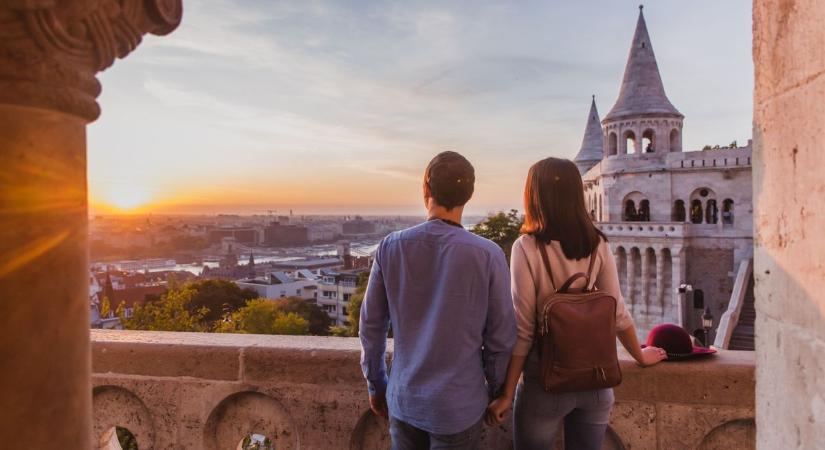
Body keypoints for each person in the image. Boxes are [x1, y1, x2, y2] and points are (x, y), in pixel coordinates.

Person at [485, 157, 666, 450]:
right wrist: (640, 356)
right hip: (596, 381)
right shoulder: (598, 243)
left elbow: (524, 329)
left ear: (534, 195)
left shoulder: (527, 247)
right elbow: (617, 312)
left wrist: (506, 393)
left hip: (544, 384)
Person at [359, 151, 516, 450]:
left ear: (426, 189)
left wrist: (377, 384)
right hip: (458, 405)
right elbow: (501, 338)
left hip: (404, 400)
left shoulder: (390, 247)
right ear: (467, 196)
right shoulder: (488, 254)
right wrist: (499, 392)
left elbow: (371, 327)